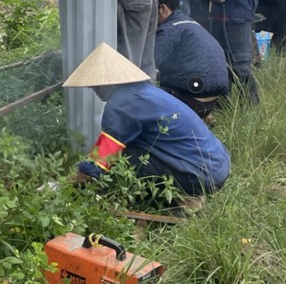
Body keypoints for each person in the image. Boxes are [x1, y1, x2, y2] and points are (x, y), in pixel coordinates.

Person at [66, 43, 230, 197]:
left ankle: (184, 200)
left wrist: (64, 185)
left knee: (123, 161)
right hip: (218, 164)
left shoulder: (120, 105)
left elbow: (101, 160)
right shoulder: (144, 91)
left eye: (94, 86)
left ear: (105, 82)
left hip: (202, 176)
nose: (94, 91)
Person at [154, 0, 230, 120]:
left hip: (191, 98)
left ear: (163, 9)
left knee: (145, 96)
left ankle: (189, 117)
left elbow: (151, 63)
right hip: (212, 100)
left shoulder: (170, 29)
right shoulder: (190, 23)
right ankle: (203, 116)